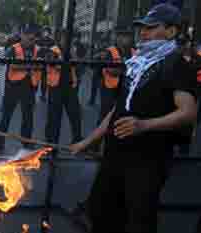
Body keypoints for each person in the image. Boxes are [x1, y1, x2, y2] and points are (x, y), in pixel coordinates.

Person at [69, 4, 198, 233]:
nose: (143, 33)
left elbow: (188, 113)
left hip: (148, 158)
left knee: (138, 219)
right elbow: (118, 110)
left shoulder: (177, 64)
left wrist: (144, 125)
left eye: (151, 27)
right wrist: (88, 141)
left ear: (171, 31)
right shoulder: (135, 63)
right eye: (142, 28)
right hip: (115, 155)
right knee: (101, 211)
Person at [0, 23, 42, 151]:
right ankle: (0, 143)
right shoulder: (13, 48)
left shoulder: (37, 49)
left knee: (28, 117)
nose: (29, 37)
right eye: (27, 34)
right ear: (21, 35)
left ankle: (26, 142)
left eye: (32, 34)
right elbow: (5, 62)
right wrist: (29, 67)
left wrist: (32, 67)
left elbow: (42, 65)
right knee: (6, 115)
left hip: (29, 87)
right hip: (13, 86)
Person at [45, 28, 82, 145]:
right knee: (54, 118)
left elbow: (77, 66)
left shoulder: (72, 51)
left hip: (70, 88)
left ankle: (77, 140)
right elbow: (54, 63)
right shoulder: (53, 50)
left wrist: (73, 55)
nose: (68, 40)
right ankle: (51, 144)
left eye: (70, 38)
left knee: (75, 115)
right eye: (65, 37)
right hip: (56, 88)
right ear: (60, 38)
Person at [36, 26, 56, 102]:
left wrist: (48, 51)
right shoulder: (38, 40)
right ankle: (34, 93)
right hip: (38, 63)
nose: (46, 33)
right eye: (44, 31)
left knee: (44, 80)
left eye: (47, 31)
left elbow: (54, 51)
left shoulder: (52, 41)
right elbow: (36, 50)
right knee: (36, 79)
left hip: (47, 64)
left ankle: (43, 95)